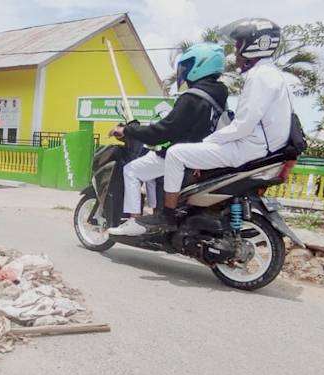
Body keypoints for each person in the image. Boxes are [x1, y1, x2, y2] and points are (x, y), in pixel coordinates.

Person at [110, 18, 293, 236]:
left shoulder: (255, 78)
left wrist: (207, 143)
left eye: (238, 45)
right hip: (265, 147)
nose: (236, 53)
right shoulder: (227, 90)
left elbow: (242, 126)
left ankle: (165, 215)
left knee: (171, 156)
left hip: (250, 147)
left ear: (255, 44)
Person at [107, 42, 229, 235]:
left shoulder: (192, 98)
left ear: (199, 66)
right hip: (204, 157)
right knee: (154, 174)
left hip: (181, 155)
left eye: (187, 65)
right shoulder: (219, 95)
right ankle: (157, 215)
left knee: (131, 170)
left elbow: (162, 132)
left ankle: (134, 222)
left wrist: (129, 131)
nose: (183, 70)